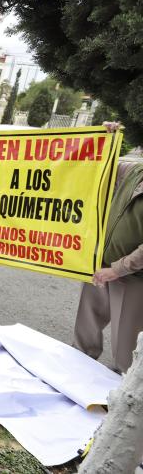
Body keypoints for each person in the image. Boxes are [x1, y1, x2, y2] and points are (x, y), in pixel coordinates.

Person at [73, 123, 143, 373]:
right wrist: (107, 138)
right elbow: (102, 169)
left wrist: (118, 269)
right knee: (84, 335)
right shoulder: (134, 171)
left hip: (133, 276)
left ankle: (122, 399)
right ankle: (75, 377)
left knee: (126, 352)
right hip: (101, 263)